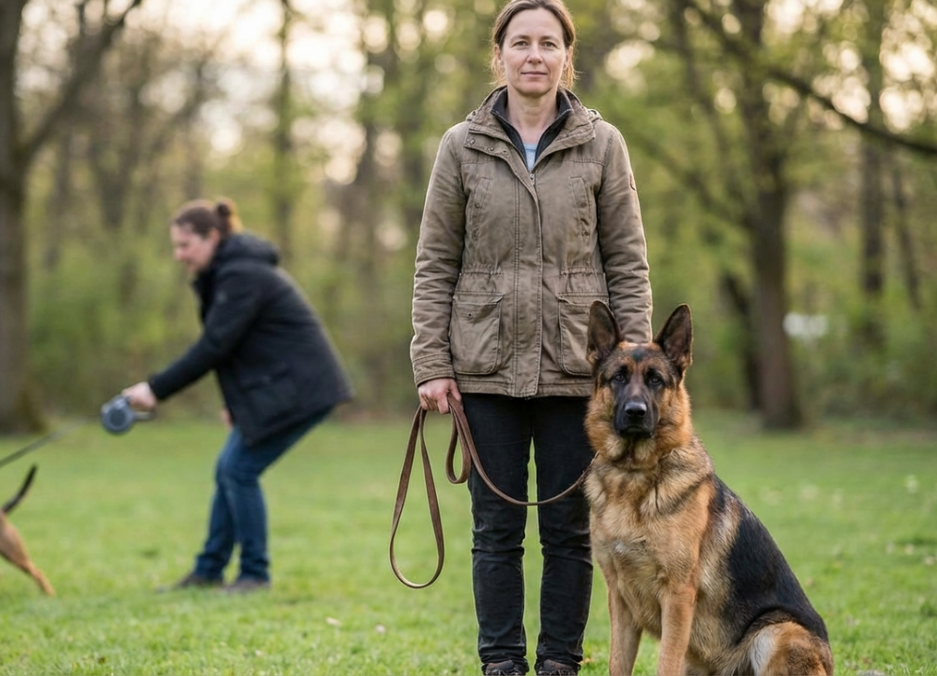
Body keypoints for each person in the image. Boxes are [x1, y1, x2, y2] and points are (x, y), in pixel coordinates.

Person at [410, 1, 652, 674]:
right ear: (501, 56)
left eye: (548, 43)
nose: (535, 55)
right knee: (495, 532)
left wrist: (631, 366)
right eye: (521, 43)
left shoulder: (604, 144)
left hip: (581, 374)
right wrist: (432, 362)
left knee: (572, 533)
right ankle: (501, 666)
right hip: (483, 367)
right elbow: (435, 260)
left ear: (566, 56)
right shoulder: (461, 145)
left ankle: (559, 665)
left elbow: (627, 259)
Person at [122, 198, 353, 594]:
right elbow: (240, 347)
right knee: (229, 469)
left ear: (212, 237)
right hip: (280, 386)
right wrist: (237, 403)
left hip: (302, 388)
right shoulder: (229, 272)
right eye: (175, 246)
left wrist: (155, 388)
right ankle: (209, 570)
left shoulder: (242, 274)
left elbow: (214, 346)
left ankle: (253, 574)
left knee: (238, 470)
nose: (179, 255)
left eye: (185, 245)